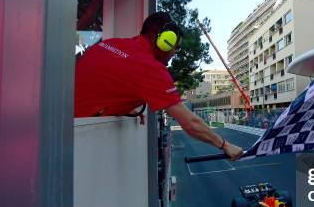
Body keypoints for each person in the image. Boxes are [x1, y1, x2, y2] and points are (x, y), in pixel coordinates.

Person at [74, 11, 244, 160]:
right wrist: (225, 145)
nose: (173, 54)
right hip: (79, 142)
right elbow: (191, 123)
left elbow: (100, 87)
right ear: (164, 40)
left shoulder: (110, 44)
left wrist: (122, 108)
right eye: (175, 48)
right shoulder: (148, 67)